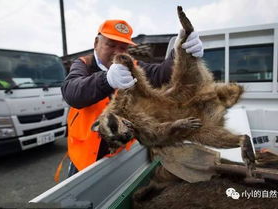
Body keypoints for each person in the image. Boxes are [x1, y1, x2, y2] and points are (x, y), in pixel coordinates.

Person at [61, 19, 204, 177]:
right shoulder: (83, 65)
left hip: (121, 155)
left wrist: (180, 53)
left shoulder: (132, 66)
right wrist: (106, 79)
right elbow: (72, 93)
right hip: (85, 161)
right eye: (111, 44)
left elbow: (161, 74)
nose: (117, 52)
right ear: (96, 43)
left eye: (122, 47)